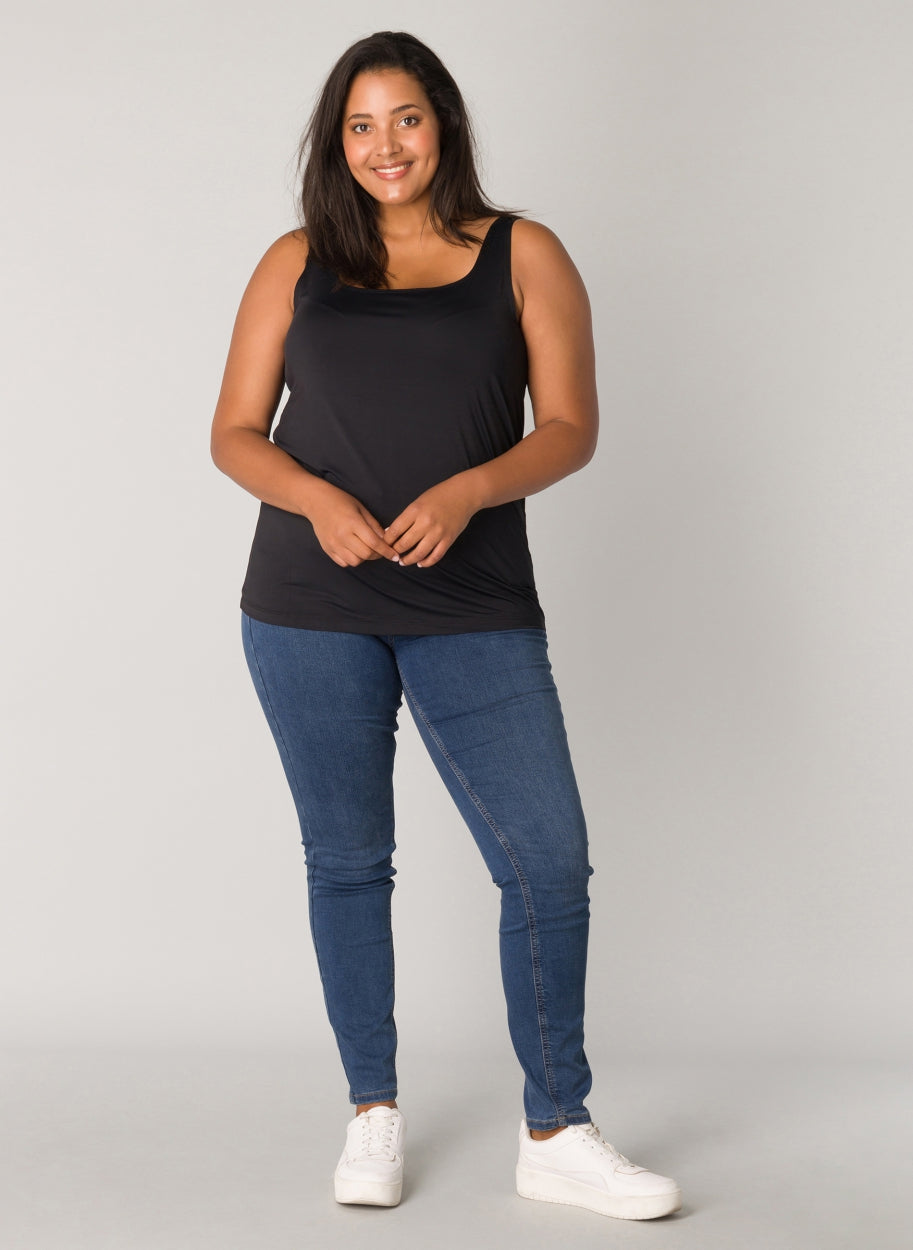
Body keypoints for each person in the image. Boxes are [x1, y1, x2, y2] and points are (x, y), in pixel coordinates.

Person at [210, 29, 681, 1222]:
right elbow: (234, 433)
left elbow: (568, 425)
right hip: (310, 602)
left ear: (445, 125)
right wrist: (317, 501)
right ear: (337, 142)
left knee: (547, 858)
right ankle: (371, 1110)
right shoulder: (296, 261)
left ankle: (556, 1127)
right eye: (360, 125)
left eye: (406, 118)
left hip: (470, 599)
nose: (385, 146)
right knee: (348, 859)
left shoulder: (523, 252)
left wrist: (470, 488)